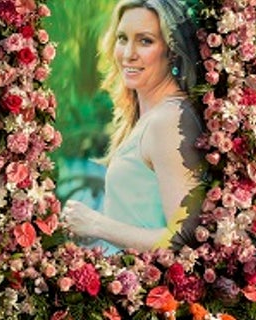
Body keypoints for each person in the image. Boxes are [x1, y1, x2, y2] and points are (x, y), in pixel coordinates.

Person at [61, 0, 204, 255]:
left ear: (171, 50)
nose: (128, 54)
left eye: (145, 41)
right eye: (122, 38)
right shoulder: (151, 116)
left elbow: (182, 240)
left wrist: (95, 223)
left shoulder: (168, 121)